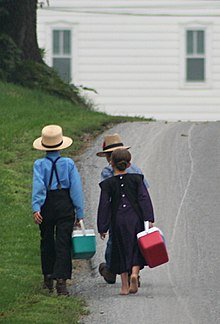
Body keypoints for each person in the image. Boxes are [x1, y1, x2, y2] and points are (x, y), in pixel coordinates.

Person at [32, 125, 84, 296]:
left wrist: (36, 207)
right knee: (63, 242)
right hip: (64, 204)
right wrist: (79, 211)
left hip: (47, 203)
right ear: (61, 145)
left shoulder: (39, 164)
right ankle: (61, 281)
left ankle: (48, 277)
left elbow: (38, 187)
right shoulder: (68, 163)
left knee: (46, 240)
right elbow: (76, 189)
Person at [97, 149, 154, 295]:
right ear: (129, 164)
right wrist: (149, 219)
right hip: (135, 218)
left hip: (117, 220)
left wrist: (102, 226)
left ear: (111, 163)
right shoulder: (136, 179)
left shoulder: (108, 183)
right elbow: (143, 198)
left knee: (119, 249)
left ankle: (124, 286)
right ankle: (134, 274)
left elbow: (104, 205)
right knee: (136, 247)